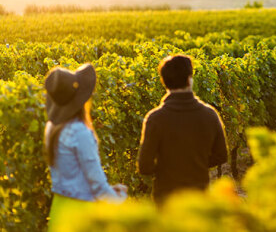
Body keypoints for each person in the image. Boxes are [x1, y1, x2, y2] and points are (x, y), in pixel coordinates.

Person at [44, 63, 127, 229]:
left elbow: (74, 177)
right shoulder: (80, 132)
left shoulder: (51, 127)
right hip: (81, 213)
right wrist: (120, 201)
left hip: (60, 209)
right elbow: (97, 186)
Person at [138, 54, 228, 204]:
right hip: (199, 198)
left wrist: (168, 169)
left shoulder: (155, 118)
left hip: (166, 200)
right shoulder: (210, 114)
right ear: (189, 80)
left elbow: (144, 167)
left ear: (164, 82)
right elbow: (221, 156)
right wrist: (196, 164)